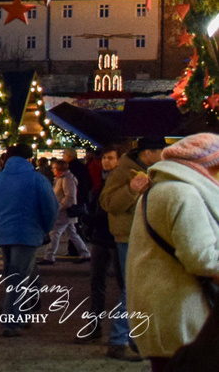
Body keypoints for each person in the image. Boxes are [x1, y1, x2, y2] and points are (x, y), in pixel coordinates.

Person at [126, 132, 219, 368]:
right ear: (210, 166)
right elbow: (202, 259)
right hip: (185, 318)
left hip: (162, 312)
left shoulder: (158, 189)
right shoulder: (183, 194)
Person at [0, 144, 58, 338]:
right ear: (30, 159)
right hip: (28, 232)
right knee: (19, 275)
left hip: (3, 233)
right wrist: (45, 227)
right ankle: (12, 320)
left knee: (14, 272)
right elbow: (50, 207)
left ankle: (27, 306)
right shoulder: (38, 180)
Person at [102, 133, 164, 357]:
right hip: (129, 236)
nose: (162, 157)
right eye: (159, 153)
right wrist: (132, 189)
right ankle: (118, 340)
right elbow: (108, 203)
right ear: (147, 154)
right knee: (133, 289)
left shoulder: (149, 170)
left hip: (144, 235)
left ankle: (133, 339)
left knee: (141, 290)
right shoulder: (123, 172)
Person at [79, 144, 132, 357]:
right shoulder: (103, 180)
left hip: (116, 238)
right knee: (97, 283)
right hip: (101, 238)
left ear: (120, 159)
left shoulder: (121, 180)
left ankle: (126, 333)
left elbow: (110, 209)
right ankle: (95, 325)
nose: (106, 162)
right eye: (104, 158)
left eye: (110, 158)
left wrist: (90, 218)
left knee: (125, 286)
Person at [41, 157, 90, 264]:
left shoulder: (66, 179)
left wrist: (58, 208)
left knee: (55, 233)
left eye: (54, 168)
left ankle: (49, 256)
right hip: (65, 212)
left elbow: (70, 197)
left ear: (59, 169)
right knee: (72, 233)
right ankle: (85, 253)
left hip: (64, 212)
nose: (52, 170)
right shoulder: (62, 178)